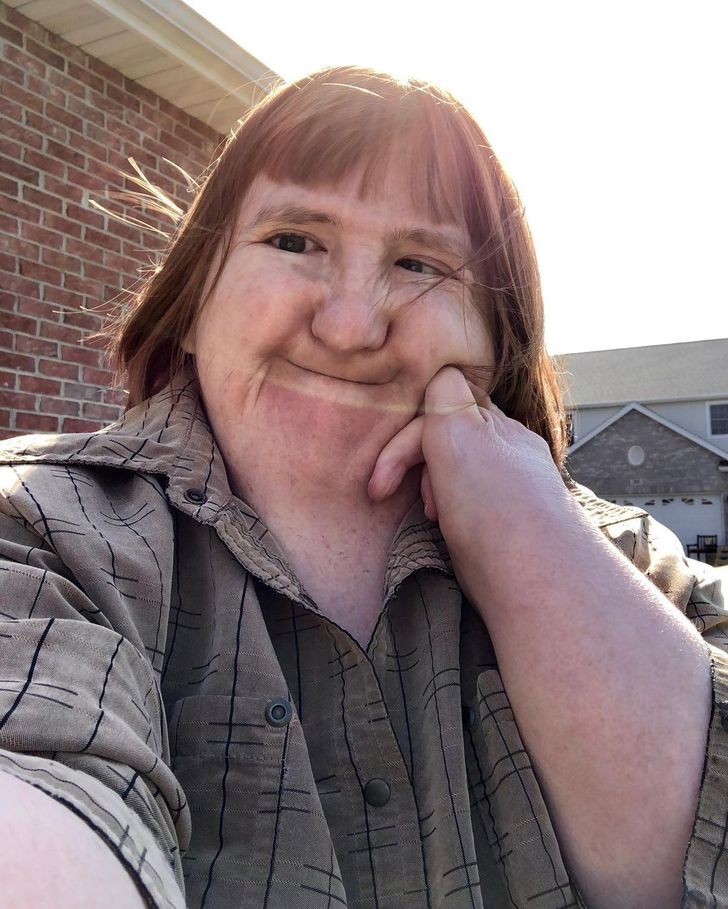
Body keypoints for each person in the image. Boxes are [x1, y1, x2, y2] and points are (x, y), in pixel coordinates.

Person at [0, 66, 725, 909]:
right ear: (195, 300)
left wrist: (532, 535)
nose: (349, 326)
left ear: (496, 340)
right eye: (293, 240)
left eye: (419, 263)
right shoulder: (36, 528)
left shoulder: (637, 566)